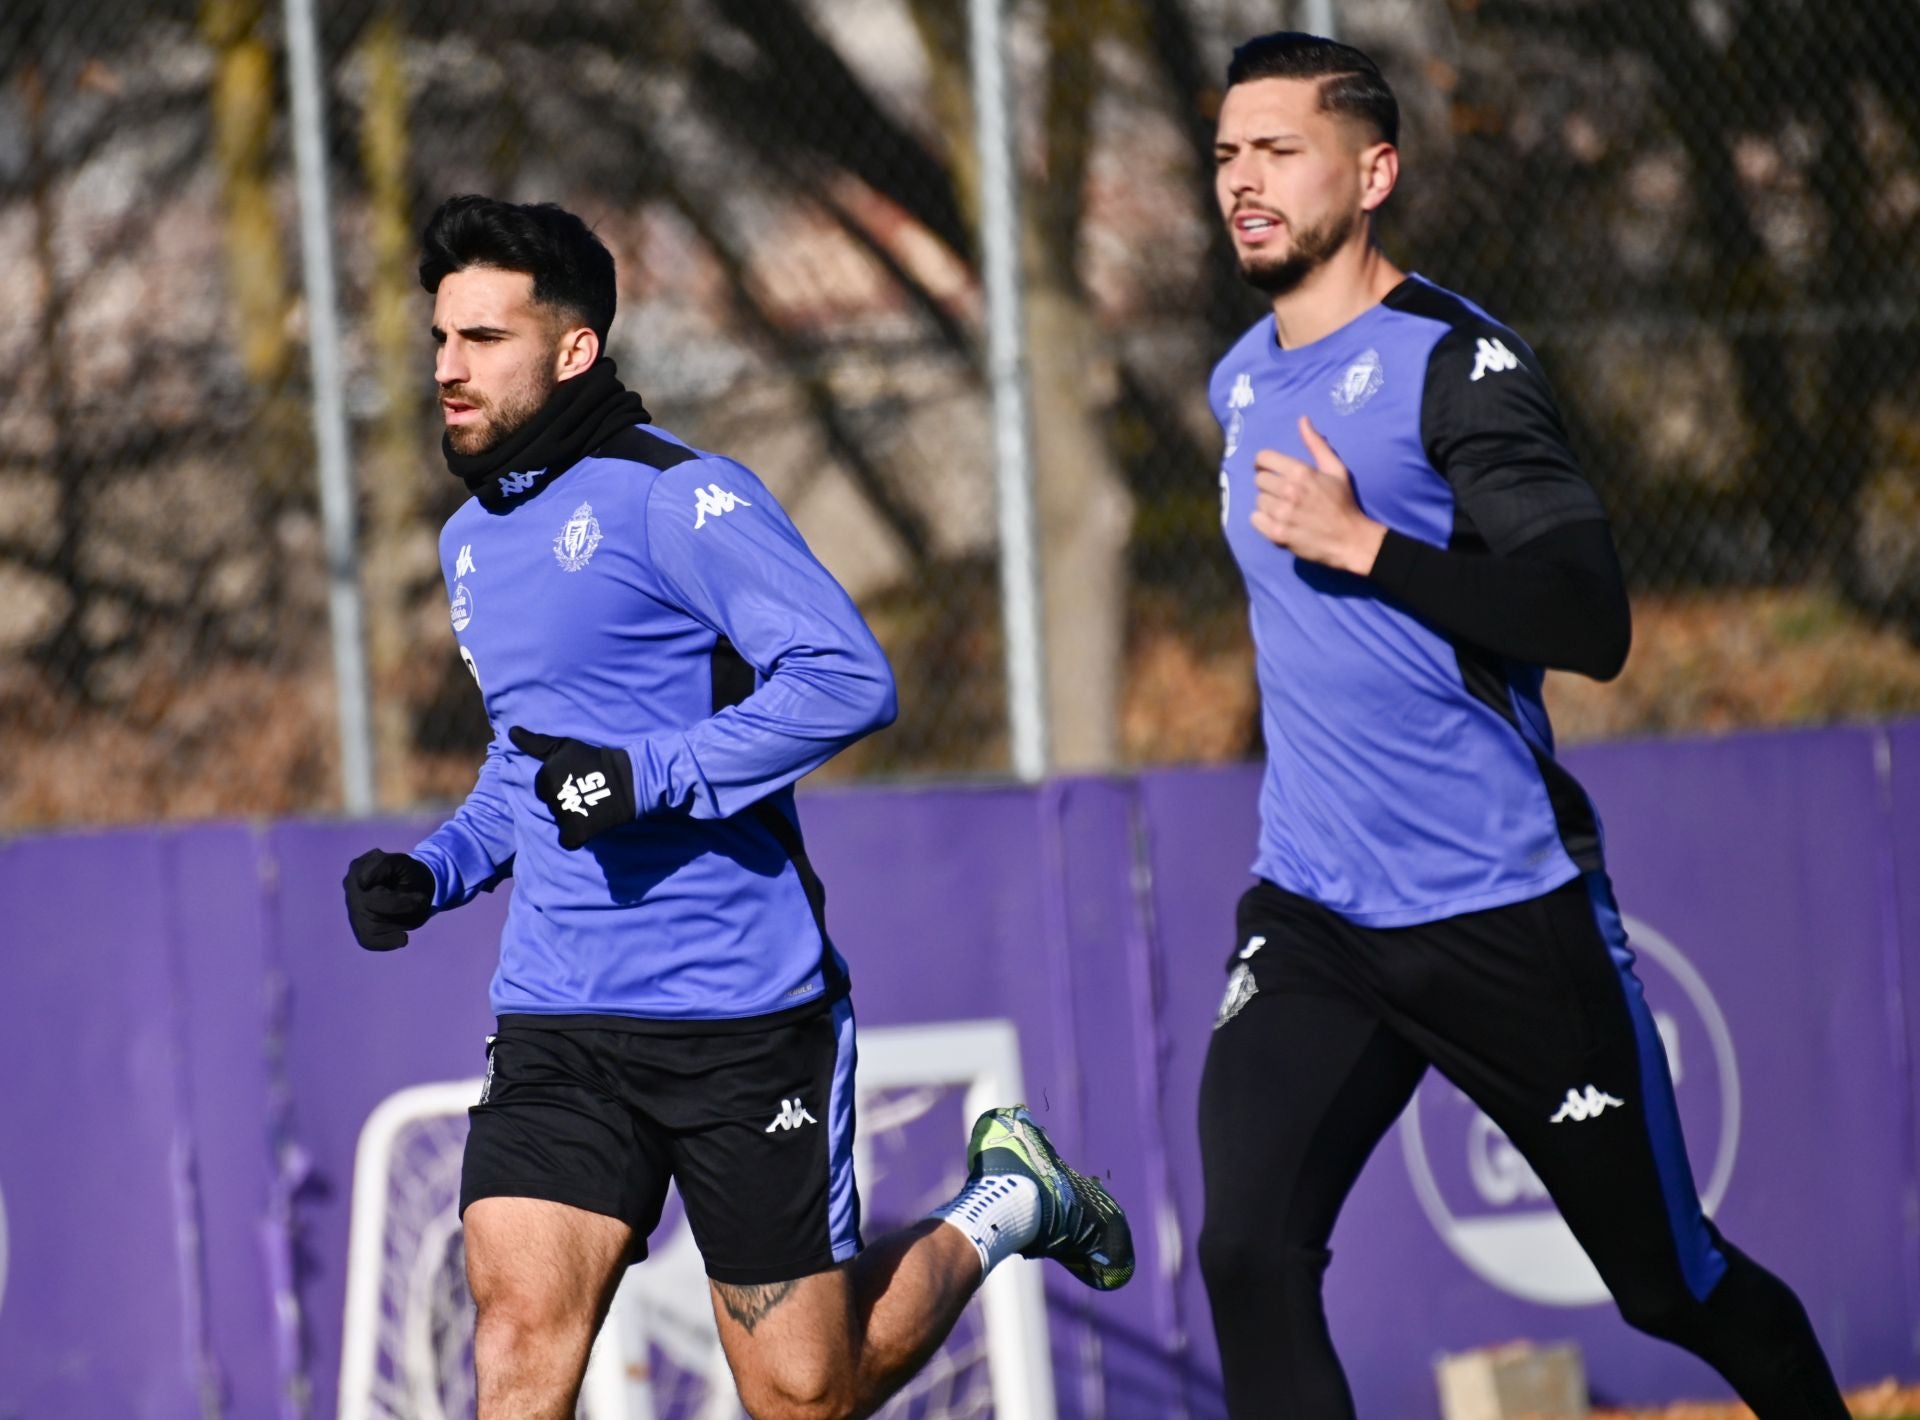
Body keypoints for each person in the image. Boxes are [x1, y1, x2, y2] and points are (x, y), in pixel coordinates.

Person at [341, 195, 1131, 1420]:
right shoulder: (470, 542)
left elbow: (847, 679)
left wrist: (648, 774)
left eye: (483, 339)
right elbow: (529, 761)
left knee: (802, 1391)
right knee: (516, 1345)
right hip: (560, 1014)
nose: (447, 367)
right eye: (440, 337)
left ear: (573, 350)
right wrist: (436, 868)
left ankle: (1008, 1201)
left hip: (739, 1014)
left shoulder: (680, 499)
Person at [1193, 32, 1847, 1419]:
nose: (1242, 183)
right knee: (1248, 1252)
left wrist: (1372, 547)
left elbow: (1587, 618)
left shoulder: (1460, 363)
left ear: (1373, 173)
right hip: (1315, 910)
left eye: (1278, 152)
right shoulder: (1239, 379)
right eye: (1226, 156)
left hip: (1503, 911)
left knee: (1671, 1287)